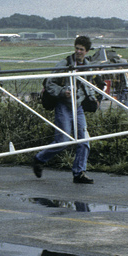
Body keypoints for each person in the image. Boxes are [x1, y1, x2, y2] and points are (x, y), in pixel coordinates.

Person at [32, 35, 99, 184]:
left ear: (87, 51)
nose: (78, 51)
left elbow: (88, 85)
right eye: (76, 48)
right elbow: (49, 83)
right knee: (62, 140)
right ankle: (39, 159)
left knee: (84, 140)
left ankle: (79, 172)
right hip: (63, 105)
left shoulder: (87, 66)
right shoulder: (64, 63)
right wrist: (62, 92)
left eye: (81, 49)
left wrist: (93, 98)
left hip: (78, 106)